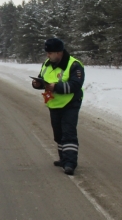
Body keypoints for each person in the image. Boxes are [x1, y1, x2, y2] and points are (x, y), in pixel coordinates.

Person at [31, 38, 85, 175]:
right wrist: (37, 84)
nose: (47, 55)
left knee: (68, 133)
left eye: (50, 53)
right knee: (58, 134)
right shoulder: (47, 64)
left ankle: (70, 163)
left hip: (71, 103)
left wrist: (56, 87)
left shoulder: (74, 65)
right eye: (47, 53)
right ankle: (63, 158)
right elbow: (43, 79)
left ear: (59, 52)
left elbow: (75, 85)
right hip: (54, 103)